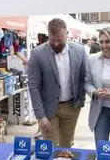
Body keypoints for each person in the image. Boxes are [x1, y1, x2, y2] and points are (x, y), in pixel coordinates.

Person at [28, 18, 86, 147]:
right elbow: (34, 86)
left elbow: (84, 78)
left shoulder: (80, 51)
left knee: (66, 147)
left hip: (72, 107)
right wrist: (40, 115)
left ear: (67, 34)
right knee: (50, 147)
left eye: (60, 40)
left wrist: (81, 100)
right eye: (52, 40)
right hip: (48, 109)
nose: (55, 44)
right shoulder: (37, 54)